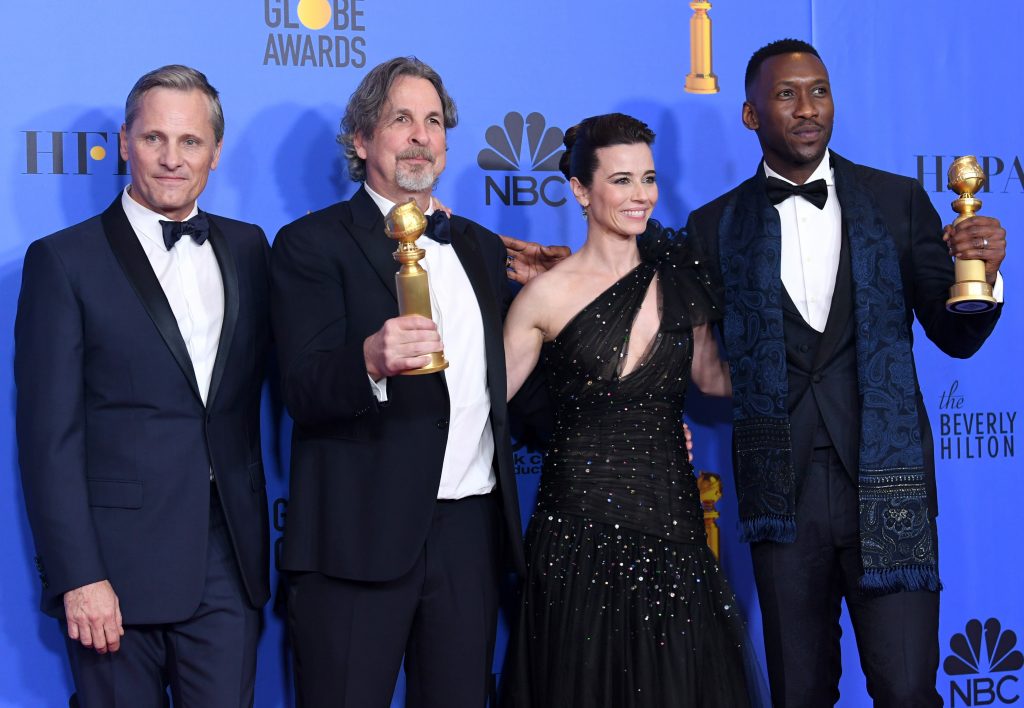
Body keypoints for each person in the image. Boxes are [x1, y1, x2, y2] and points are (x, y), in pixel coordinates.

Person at [684, 39, 1006, 707]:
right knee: (799, 694)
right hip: (782, 499)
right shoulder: (713, 227)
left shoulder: (896, 201)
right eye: (787, 94)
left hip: (889, 488)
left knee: (908, 689)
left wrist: (986, 278)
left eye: (820, 91)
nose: (809, 109)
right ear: (749, 115)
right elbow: (686, 354)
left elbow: (955, 335)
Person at [270, 56, 526, 707]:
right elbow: (299, 387)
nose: (420, 135)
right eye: (400, 119)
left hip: (470, 537)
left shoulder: (481, 248)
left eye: (434, 121)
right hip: (357, 541)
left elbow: (511, 389)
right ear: (361, 141)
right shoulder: (309, 244)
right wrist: (369, 360)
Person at [15, 65, 272, 707]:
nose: (171, 158)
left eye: (189, 142)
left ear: (215, 151)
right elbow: (48, 438)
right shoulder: (62, 260)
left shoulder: (248, 249)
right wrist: (79, 576)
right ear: (124, 141)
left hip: (227, 563)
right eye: (153, 138)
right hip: (115, 569)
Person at [501, 113, 760, 708]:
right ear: (581, 190)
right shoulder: (544, 295)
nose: (640, 195)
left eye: (648, 178)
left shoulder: (678, 279)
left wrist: (805, 354)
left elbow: (713, 376)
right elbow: (485, 404)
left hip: (672, 528)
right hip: (576, 535)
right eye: (621, 180)